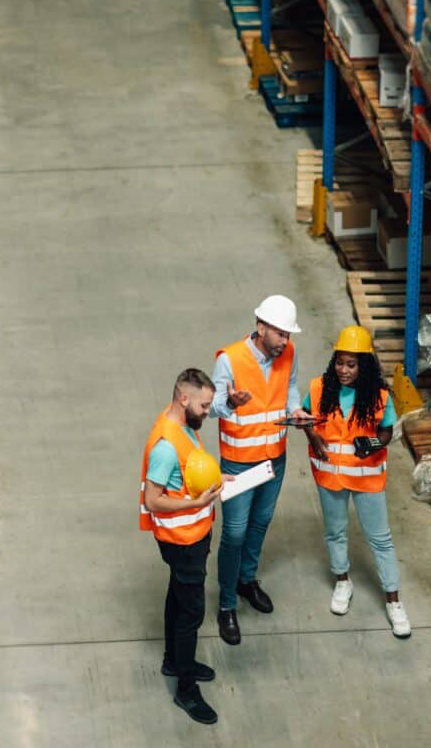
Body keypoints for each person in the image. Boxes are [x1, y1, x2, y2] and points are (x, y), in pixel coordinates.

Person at [301, 325, 411, 638]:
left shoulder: (379, 396)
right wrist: (312, 435)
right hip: (330, 476)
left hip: (366, 478)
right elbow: (304, 415)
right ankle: (342, 582)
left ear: (364, 366)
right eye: (339, 362)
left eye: (351, 364)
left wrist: (376, 443)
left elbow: (386, 430)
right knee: (335, 532)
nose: (344, 370)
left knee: (380, 539)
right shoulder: (319, 388)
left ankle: (393, 600)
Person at [210, 295, 301, 645]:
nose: (285, 341)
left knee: (260, 522)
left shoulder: (288, 353)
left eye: (288, 335)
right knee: (234, 533)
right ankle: (227, 604)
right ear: (261, 327)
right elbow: (211, 407)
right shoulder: (230, 359)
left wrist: (294, 411)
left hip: (274, 458)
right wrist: (229, 403)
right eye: (280, 333)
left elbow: (289, 386)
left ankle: (246, 580)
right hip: (238, 462)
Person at [140, 368, 224, 725]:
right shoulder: (165, 446)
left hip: (192, 534)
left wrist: (216, 481)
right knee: (191, 614)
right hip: (182, 540)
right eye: (204, 406)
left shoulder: (183, 424)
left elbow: (189, 473)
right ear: (184, 398)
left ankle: (174, 661)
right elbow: (153, 499)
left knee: (177, 595)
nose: (208, 412)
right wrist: (197, 503)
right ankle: (186, 690)